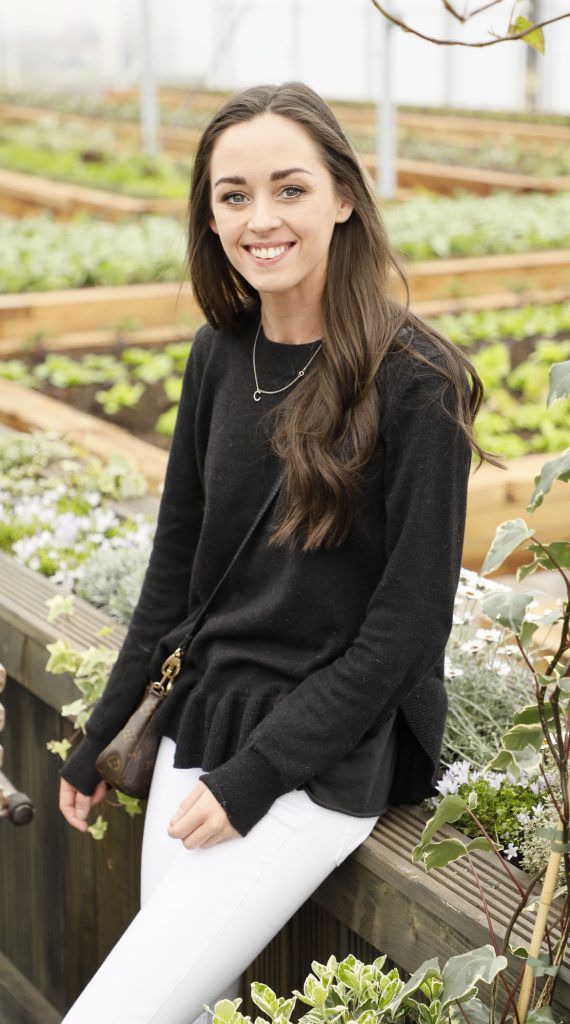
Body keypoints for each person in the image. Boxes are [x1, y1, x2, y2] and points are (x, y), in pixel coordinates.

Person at [57, 81, 502, 1023]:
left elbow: (409, 631)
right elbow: (174, 576)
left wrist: (257, 778)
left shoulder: (418, 382)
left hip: (318, 757)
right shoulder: (217, 355)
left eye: (289, 189)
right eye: (233, 195)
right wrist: (99, 737)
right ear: (210, 215)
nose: (261, 218)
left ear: (345, 196)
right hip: (201, 719)